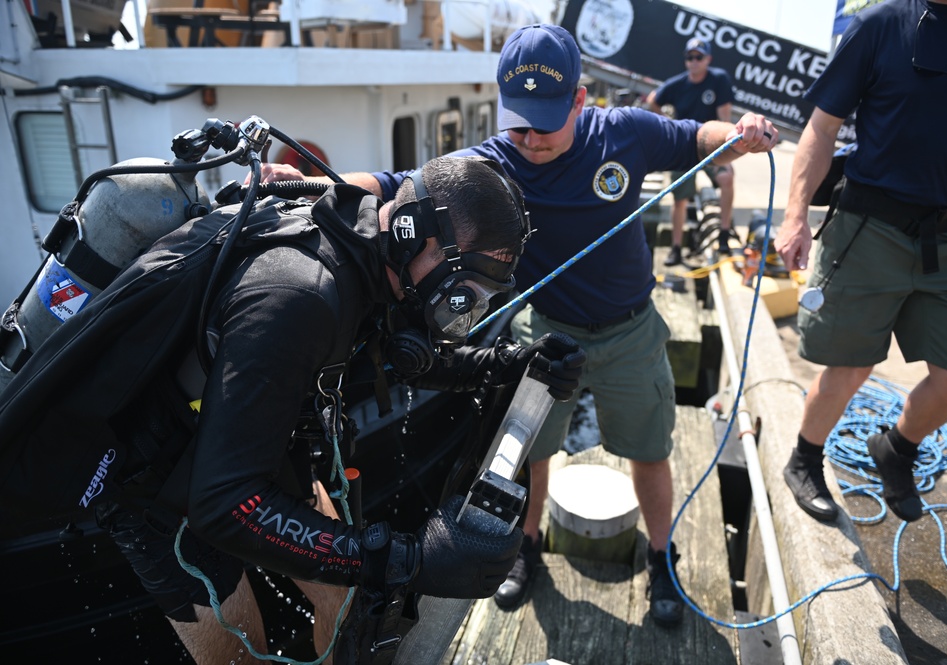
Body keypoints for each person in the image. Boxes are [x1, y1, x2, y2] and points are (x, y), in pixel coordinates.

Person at [262, 23, 778, 627]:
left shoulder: (626, 133)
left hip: (630, 327)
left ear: (581, 101)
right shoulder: (494, 158)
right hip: (547, 328)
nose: (530, 138)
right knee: (534, 452)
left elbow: (697, 137)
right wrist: (310, 184)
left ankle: (662, 558)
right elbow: (396, 182)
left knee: (649, 451)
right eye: (519, 120)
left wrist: (739, 136)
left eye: (546, 121)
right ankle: (525, 547)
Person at [0, 155, 586, 663]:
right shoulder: (299, 298)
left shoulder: (369, 249)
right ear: (412, 234)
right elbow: (224, 504)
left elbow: (396, 358)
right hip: (159, 481)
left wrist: (507, 362)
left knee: (348, 601)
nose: (468, 307)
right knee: (239, 655)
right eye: (468, 289)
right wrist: (408, 559)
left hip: (256, 441)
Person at [775, 0, 947, 524]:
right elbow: (821, 128)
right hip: (869, 225)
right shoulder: (879, 24)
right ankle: (803, 459)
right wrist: (795, 217)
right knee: (851, 365)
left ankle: (896, 448)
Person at [645, 37, 737, 266]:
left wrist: (728, 151)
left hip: (712, 145)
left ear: (708, 59)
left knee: (727, 178)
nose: (694, 61)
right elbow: (652, 100)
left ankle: (725, 234)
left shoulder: (719, 80)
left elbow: (725, 115)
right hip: (685, 145)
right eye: (690, 57)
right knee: (680, 198)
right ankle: (676, 248)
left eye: (699, 57)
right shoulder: (676, 84)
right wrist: (666, 123)